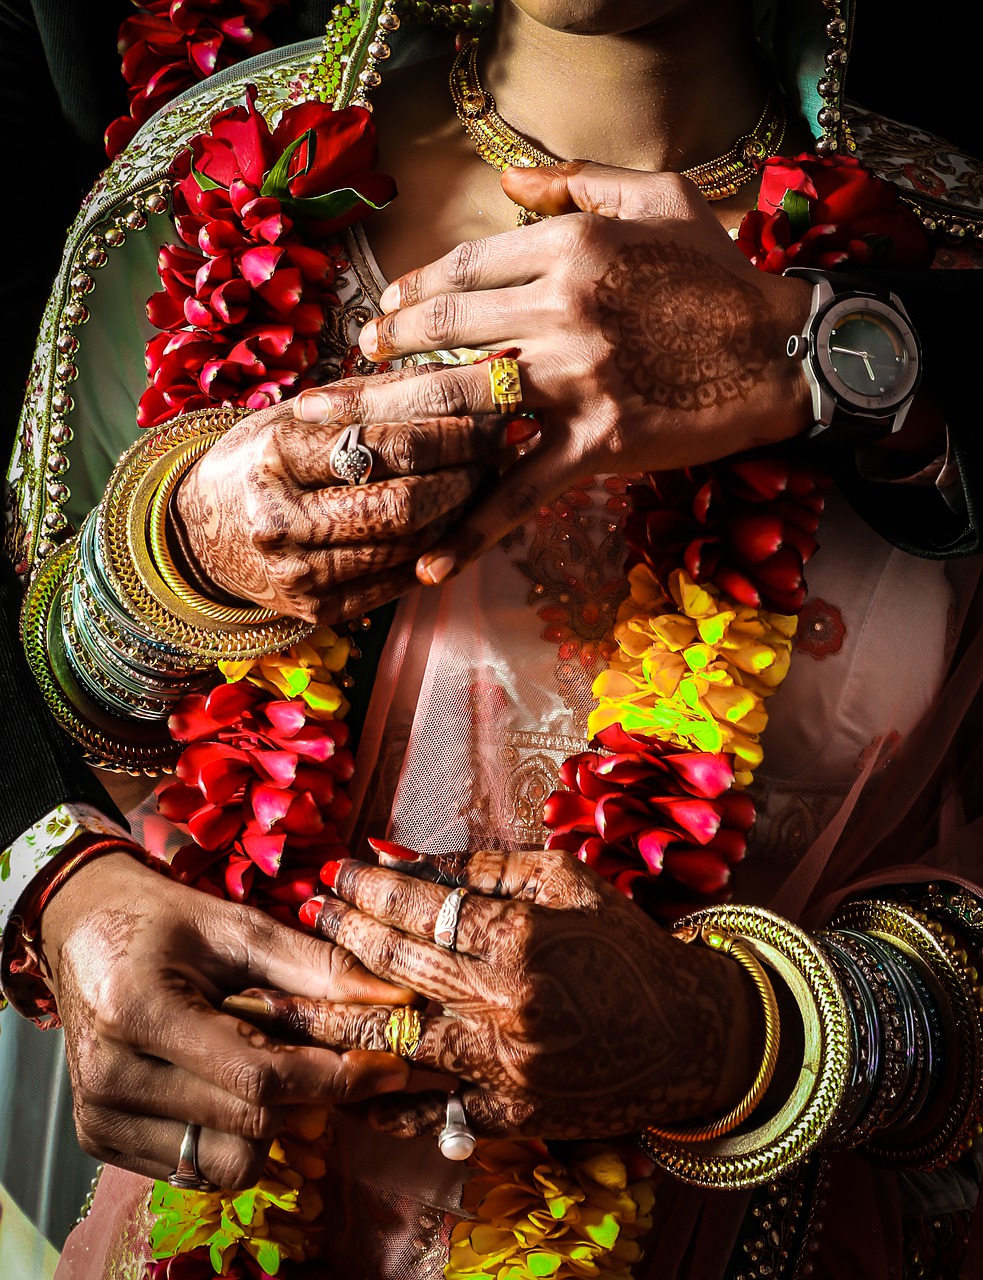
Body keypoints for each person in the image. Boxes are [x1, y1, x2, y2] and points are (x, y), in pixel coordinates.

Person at [3, 1, 983, 1277]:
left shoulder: (934, 282)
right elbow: (68, 732)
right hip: (232, 1227)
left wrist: (730, 1037)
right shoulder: (208, 186)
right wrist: (175, 564)